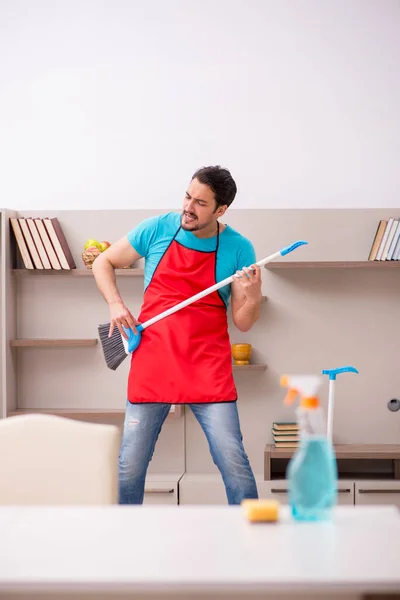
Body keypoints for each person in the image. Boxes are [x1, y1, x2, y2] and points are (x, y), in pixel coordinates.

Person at [92, 166, 262, 505]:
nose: (188, 206)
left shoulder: (239, 248)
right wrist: (115, 304)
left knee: (235, 464)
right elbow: (103, 262)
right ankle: (122, 540)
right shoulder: (157, 228)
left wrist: (253, 296)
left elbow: (243, 322)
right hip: (154, 361)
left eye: (200, 202)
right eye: (187, 196)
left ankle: (256, 543)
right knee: (129, 467)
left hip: (207, 365)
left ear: (221, 210)